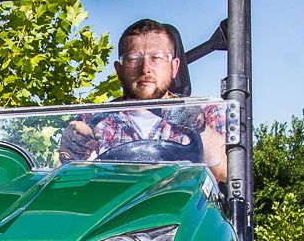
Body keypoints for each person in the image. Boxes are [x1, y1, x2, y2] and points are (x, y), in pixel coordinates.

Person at [59, 19, 227, 182]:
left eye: (156, 58)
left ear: (174, 67)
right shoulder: (92, 120)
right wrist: (69, 151)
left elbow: (226, 173)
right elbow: (66, 181)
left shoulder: (206, 110)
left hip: (182, 206)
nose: (145, 68)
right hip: (120, 207)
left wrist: (200, 128)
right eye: (134, 58)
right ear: (119, 69)